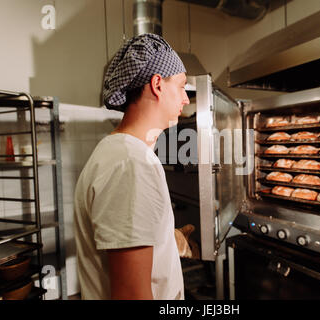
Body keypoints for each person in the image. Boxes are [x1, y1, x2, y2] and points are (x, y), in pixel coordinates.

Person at [74, 33, 191, 300]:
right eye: (182, 86)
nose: (186, 99)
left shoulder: (125, 154)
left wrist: (164, 242)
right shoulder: (130, 164)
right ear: (158, 84)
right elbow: (130, 295)